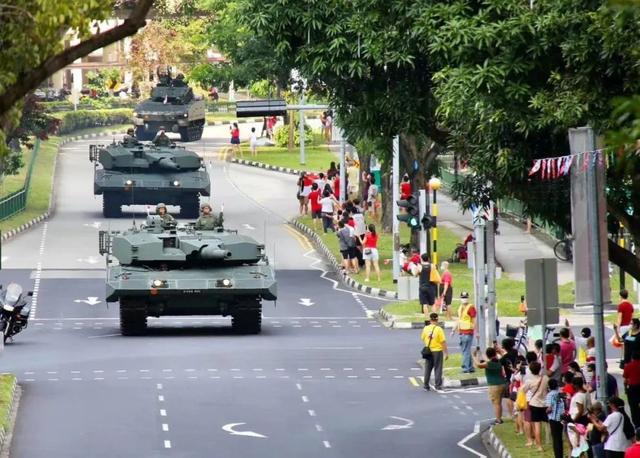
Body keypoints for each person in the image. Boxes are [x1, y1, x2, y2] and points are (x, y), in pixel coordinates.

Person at [473, 347, 506, 424]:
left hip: (494, 386)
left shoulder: (489, 364)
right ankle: (499, 418)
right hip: (502, 383)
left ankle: (498, 420)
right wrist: (480, 353)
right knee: (499, 402)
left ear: (488, 356)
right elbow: (487, 359)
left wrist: (474, 356)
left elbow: (478, 365)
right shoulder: (499, 361)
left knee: (496, 403)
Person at [521, 361, 548, 451]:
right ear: (540, 369)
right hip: (545, 404)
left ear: (531, 370)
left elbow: (523, 391)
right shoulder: (545, 378)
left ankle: (539, 446)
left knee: (537, 425)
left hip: (534, 404)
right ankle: (548, 440)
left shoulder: (529, 381)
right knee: (547, 424)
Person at [421, 312, 448, 391]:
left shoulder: (425, 328)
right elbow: (443, 342)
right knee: (438, 368)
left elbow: (422, 338)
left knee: (427, 368)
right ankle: (437, 385)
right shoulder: (439, 329)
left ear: (430, 320)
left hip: (428, 351)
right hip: (437, 351)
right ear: (437, 320)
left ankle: (426, 385)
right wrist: (446, 353)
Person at [451, 291, 476, 373]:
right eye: (463, 298)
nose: (464, 299)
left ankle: (466, 368)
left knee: (465, 350)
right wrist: (453, 330)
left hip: (468, 332)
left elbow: (474, 320)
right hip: (461, 332)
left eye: (465, 298)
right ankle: (470, 367)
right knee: (466, 350)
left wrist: (476, 331)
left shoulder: (471, 307)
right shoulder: (460, 307)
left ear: (468, 298)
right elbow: (458, 320)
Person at [567, 377, 590, 457]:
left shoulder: (578, 396)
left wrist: (572, 420)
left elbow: (580, 410)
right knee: (583, 442)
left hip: (578, 420)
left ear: (576, 385)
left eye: (573, 385)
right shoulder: (586, 393)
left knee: (578, 442)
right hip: (584, 419)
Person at [545, 378, 565, 458]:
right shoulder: (560, 393)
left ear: (549, 386)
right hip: (561, 418)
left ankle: (557, 456)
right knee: (560, 438)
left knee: (555, 439)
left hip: (553, 419)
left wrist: (545, 412)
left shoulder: (549, 395)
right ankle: (561, 455)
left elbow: (549, 408)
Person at [624, 351, 640, 428]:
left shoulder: (628, 366)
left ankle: (637, 424)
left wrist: (625, 389)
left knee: (633, 407)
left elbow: (625, 379)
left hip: (633, 388)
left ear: (632, 358)